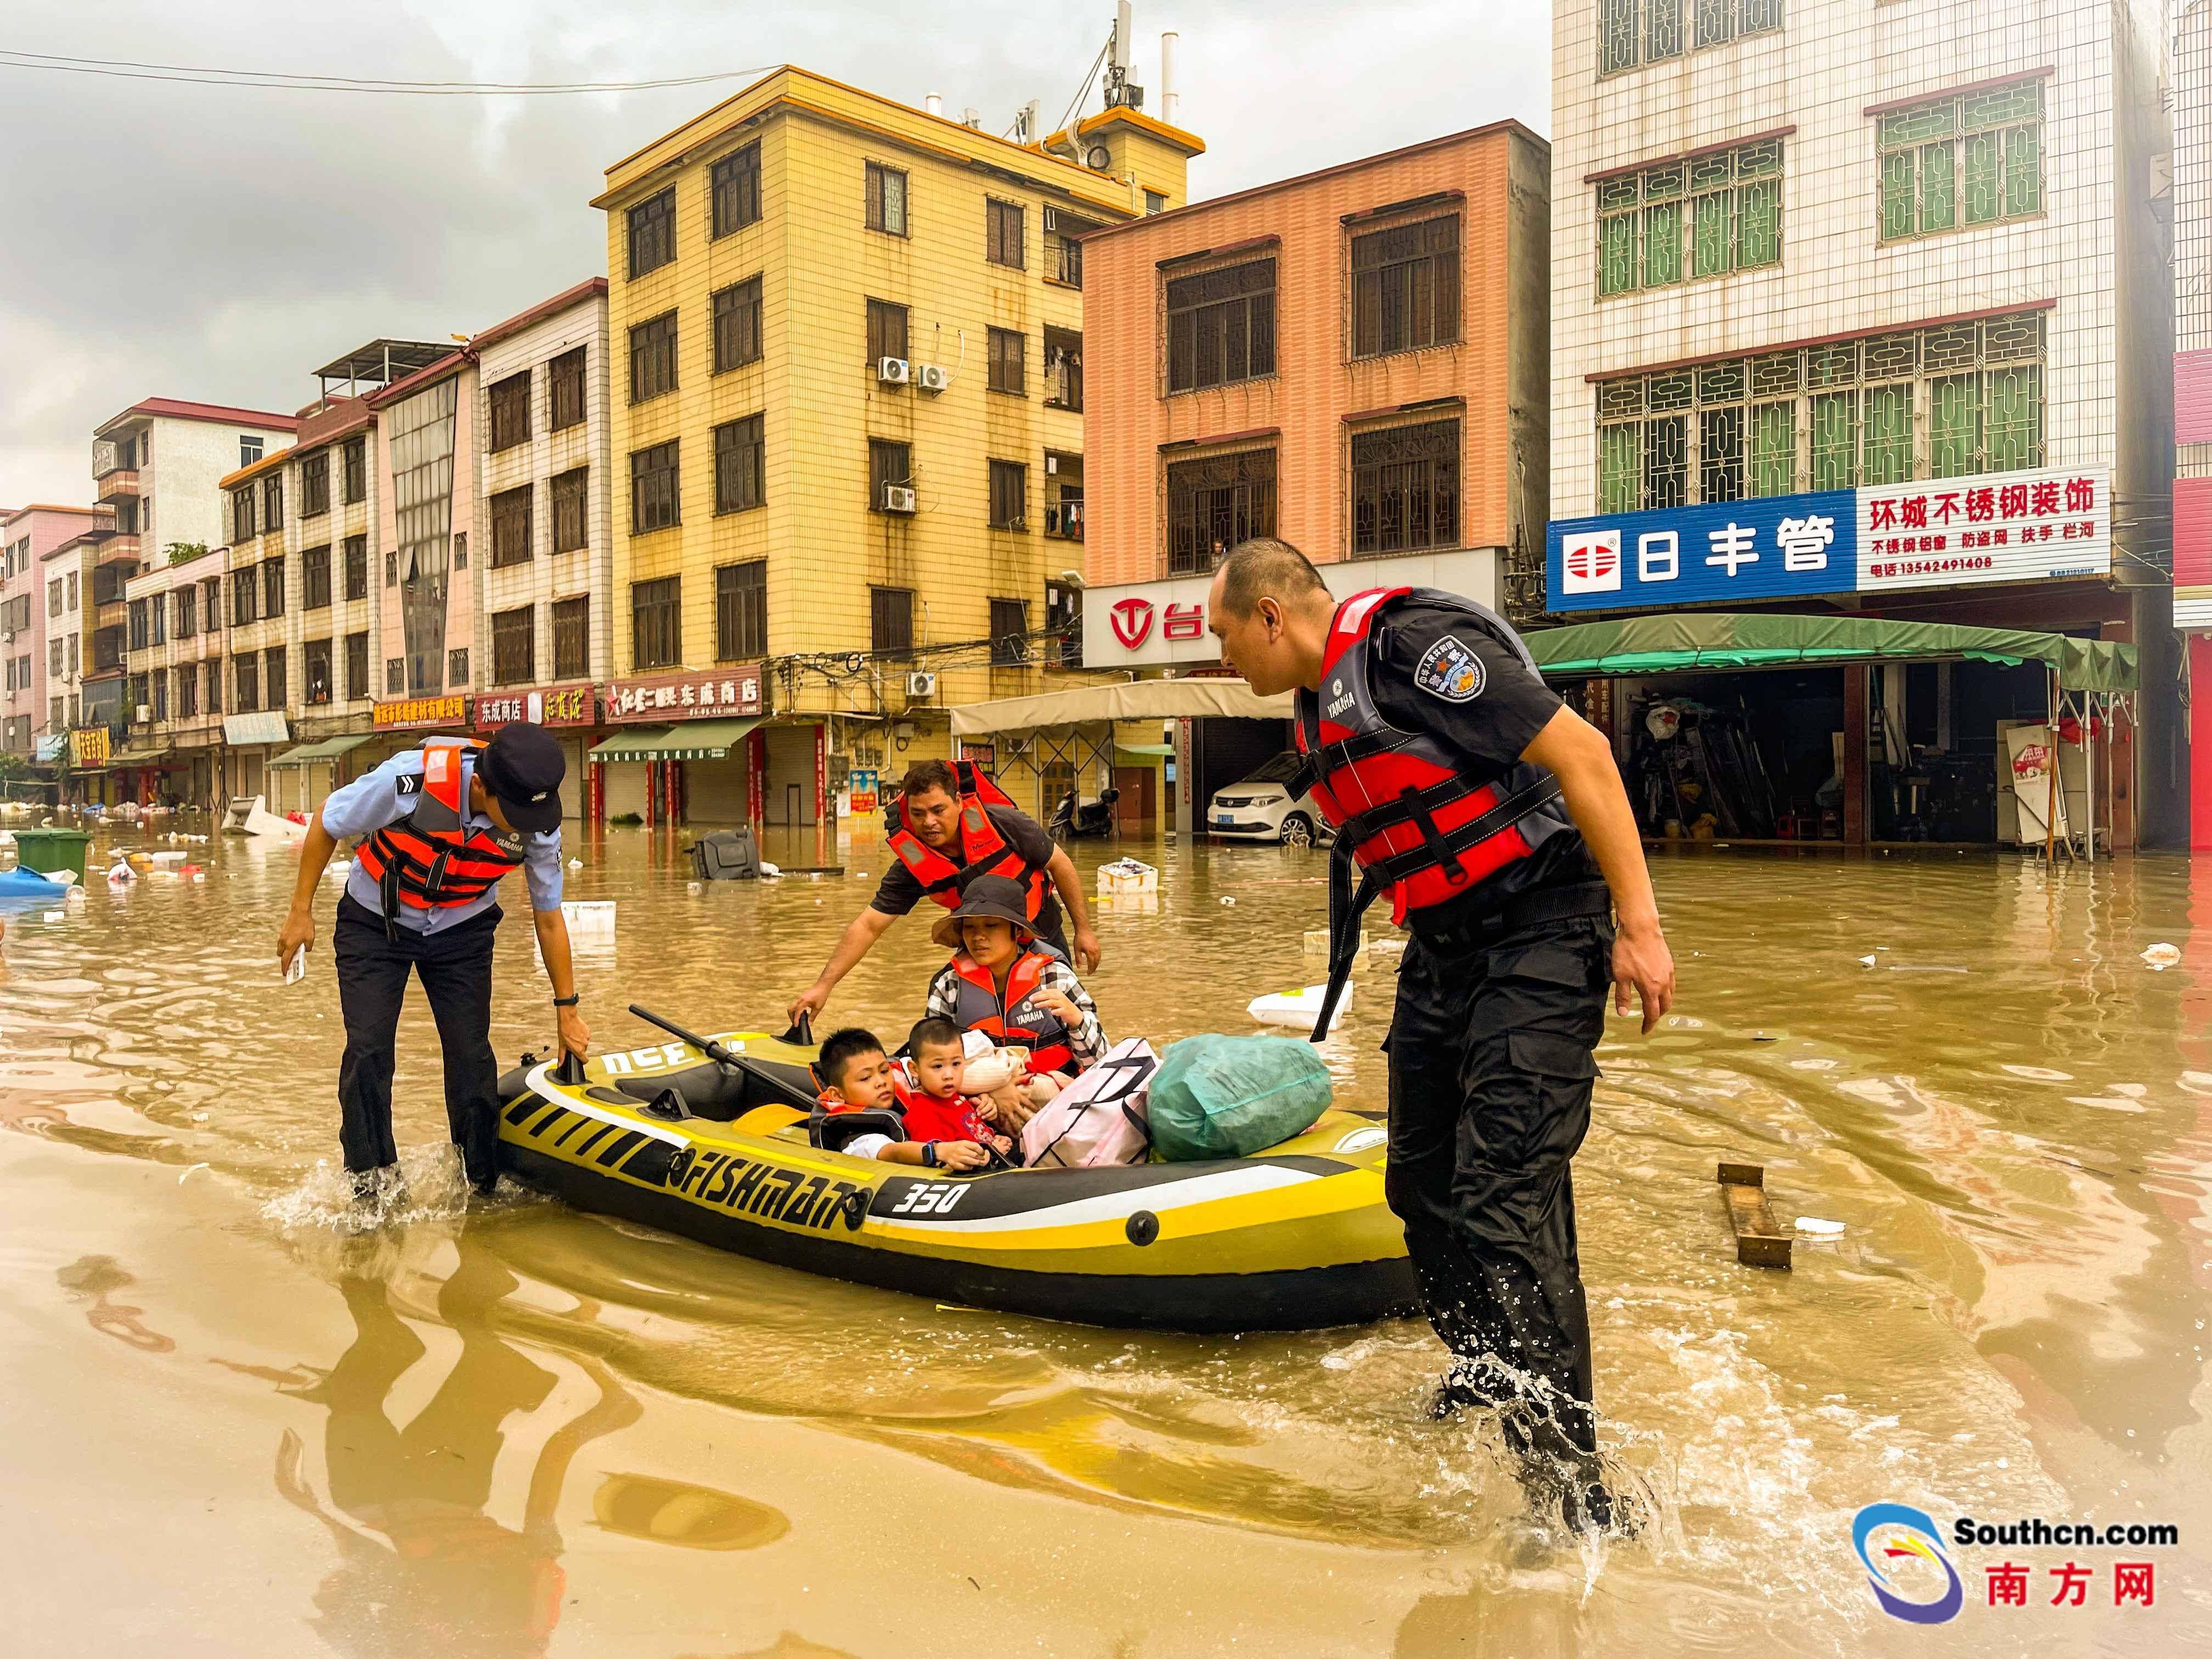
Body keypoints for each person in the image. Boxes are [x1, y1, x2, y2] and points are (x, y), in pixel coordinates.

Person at [1207, 538, 1675, 1533]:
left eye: (1220, 634)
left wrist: (1639, 925)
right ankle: (1489, 1368)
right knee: (1419, 1186)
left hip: (1544, 924)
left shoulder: (1410, 647)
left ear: (1269, 617)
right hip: (1448, 944)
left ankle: (1574, 1491)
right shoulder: (1314, 701)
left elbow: (1582, 755)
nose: (1221, 659)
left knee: (1504, 1199)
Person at [275, 725, 590, 1198]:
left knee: (470, 1053)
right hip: (375, 922)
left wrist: (567, 1009)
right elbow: (327, 820)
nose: (529, 824)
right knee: (369, 1052)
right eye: (519, 812)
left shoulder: (538, 823)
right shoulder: (410, 781)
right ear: (482, 787)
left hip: (462, 931)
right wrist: (301, 910)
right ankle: (371, 1187)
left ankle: (480, 1181)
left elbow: (549, 918)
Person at [788, 758, 1102, 1026]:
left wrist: (1084, 931)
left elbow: (1061, 865)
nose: (929, 822)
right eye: (918, 813)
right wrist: (824, 985)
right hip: (982, 950)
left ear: (959, 802)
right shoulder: (912, 864)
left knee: (1058, 1021)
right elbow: (868, 926)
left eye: (938, 810)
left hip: (1043, 936)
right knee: (972, 1020)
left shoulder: (1004, 823)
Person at [923, 874, 1106, 1080]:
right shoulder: (949, 986)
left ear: (1018, 930)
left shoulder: (1055, 978)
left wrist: (1076, 1019)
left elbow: (1100, 1062)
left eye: (991, 925)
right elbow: (933, 1067)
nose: (978, 937)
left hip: (1053, 1093)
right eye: (970, 927)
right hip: (979, 1098)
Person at [814, 1020, 1012, 1170]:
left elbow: (937, 1077)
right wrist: (939, 1150)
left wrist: (982, 1100)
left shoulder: (908, 1084)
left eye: (884, 1071)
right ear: (837, 1095)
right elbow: (891, 1151)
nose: (881, 1081)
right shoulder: (856, 1137)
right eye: (866, 1078)